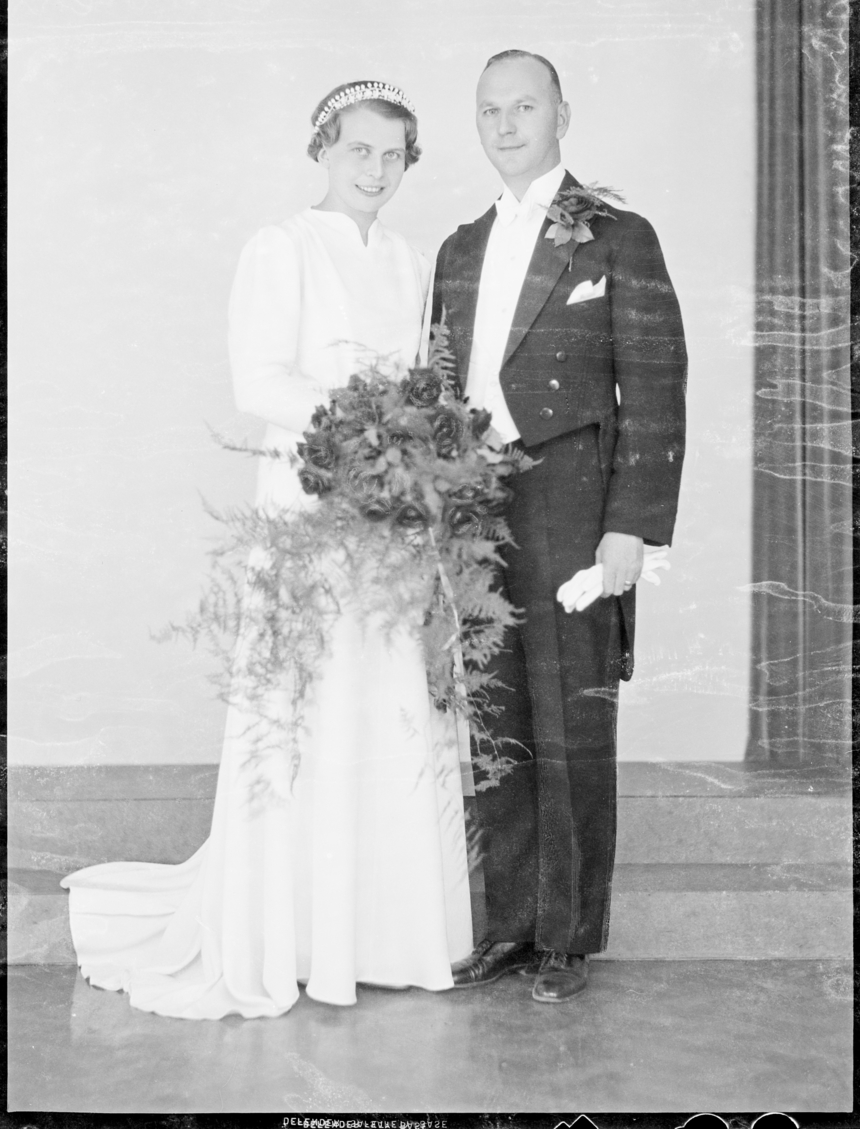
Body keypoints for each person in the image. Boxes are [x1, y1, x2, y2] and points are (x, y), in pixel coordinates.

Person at [61, 81, 473, 1019]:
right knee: (309, 704)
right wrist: (365, 428)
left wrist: (414, 452)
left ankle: (380, 937)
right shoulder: (280, 247)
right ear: (323, 150)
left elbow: (425, 380)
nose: (376, 171)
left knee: (382, 702)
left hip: (388, 515)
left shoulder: (409, 260)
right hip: (308, 505)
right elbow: (259, 382)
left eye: (394, 156)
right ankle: (295, 937)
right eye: (358, 150)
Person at [431, 50, 687, 1003]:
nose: (505, 125)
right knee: (497, 714)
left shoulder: (618, 236)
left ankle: (566, 938)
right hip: (477, 507)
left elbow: (656, 386)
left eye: (524, 106)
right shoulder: (458, 249)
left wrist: (633, 528)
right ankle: (508, 926)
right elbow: (437, 384)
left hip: (575, 504)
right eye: (489, 110)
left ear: (561, 115)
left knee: (571, 715)